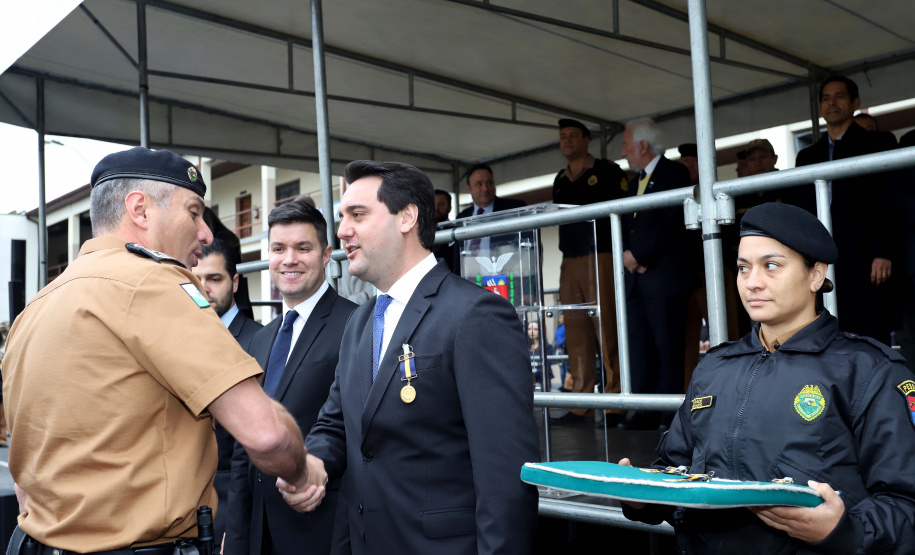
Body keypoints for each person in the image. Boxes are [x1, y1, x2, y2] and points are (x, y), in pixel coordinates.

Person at [2, 147, 321, 554]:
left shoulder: (36, 307)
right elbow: (266, 434)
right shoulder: (154, 282)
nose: (206, 234)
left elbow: (24, 474)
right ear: (140, 210)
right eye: (193, 212)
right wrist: (303, 472)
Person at [621, 202, 915, 554]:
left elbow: (906, 501)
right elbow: (675, 470)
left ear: (816, 276)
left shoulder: (869, 371)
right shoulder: (714, 368)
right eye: (743, 268)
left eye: (771, 266)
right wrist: (644, 497)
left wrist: (845, 531)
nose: (752, 282)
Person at [300, 160, 540, 555]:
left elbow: (504, 478)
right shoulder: (360, 323)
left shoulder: (475, 315)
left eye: (357, 215)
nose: (342, 231)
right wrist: (310, 466)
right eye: (342, 217)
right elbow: (337, 425)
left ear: (407, 217)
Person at [225, 200, 356, 555]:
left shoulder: (355, 325)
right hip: (258, 531)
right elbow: (243, 447)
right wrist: (236, 537)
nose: (289, 259)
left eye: (303, 248)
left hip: (320, 526)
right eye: (279, 249)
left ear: (326, 255)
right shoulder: (261, 339)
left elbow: (352, 428)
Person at [795, 75, 900, 345]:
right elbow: (801, 210)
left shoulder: (878, 143)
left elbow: (889, 200)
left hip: (865, 255)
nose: (831, 103)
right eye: (825, 98)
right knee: (825, 335)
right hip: (820, 257)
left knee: (869, 337)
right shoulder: (807, 156)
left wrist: (883, 251)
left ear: (855, 102)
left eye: (839, 96)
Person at [552, 118, 630, 426]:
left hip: (601, 255)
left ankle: (615, 403)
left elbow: (624, 210)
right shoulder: (559, 178)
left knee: (607, 328)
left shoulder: (607, 171)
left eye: (573, 135)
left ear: (587, 139)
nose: (567, 140)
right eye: (563, 136)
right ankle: (582, 402)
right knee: (575, 331)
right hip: (570, 259)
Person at [619, 117, 691, 430]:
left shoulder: (675, 172)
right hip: (637, 279)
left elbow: (670, 221)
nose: (623, 152)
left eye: (626, 145)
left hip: (663, 276)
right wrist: (628, 255)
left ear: (643, 145)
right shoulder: (634, 181)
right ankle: (644, 411)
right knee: (640, 348)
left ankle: (670, 412)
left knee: (668, 347)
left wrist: (638, 255)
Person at [191, 238, 263, 542]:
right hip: (185, 507)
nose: (203, 287)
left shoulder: (259, 341)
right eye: (196, 278)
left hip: (233, 506)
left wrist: (234, 530)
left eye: (214, 279)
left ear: (234, 283)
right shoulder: (179, 340)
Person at [432, 189, 457, 273]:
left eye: (441, 204)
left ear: (449, 208)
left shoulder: (456, 230)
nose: (436, 208)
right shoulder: (421, 230)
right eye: (433, 204)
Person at [528, 320, 554, 388]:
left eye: (535, 329)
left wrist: (531, 374)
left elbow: (546, 366)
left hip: (542, 381)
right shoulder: (526, 346)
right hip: (528, 381)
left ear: (541, 330)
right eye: (529, 329)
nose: (532, 331)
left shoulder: (547, 347)